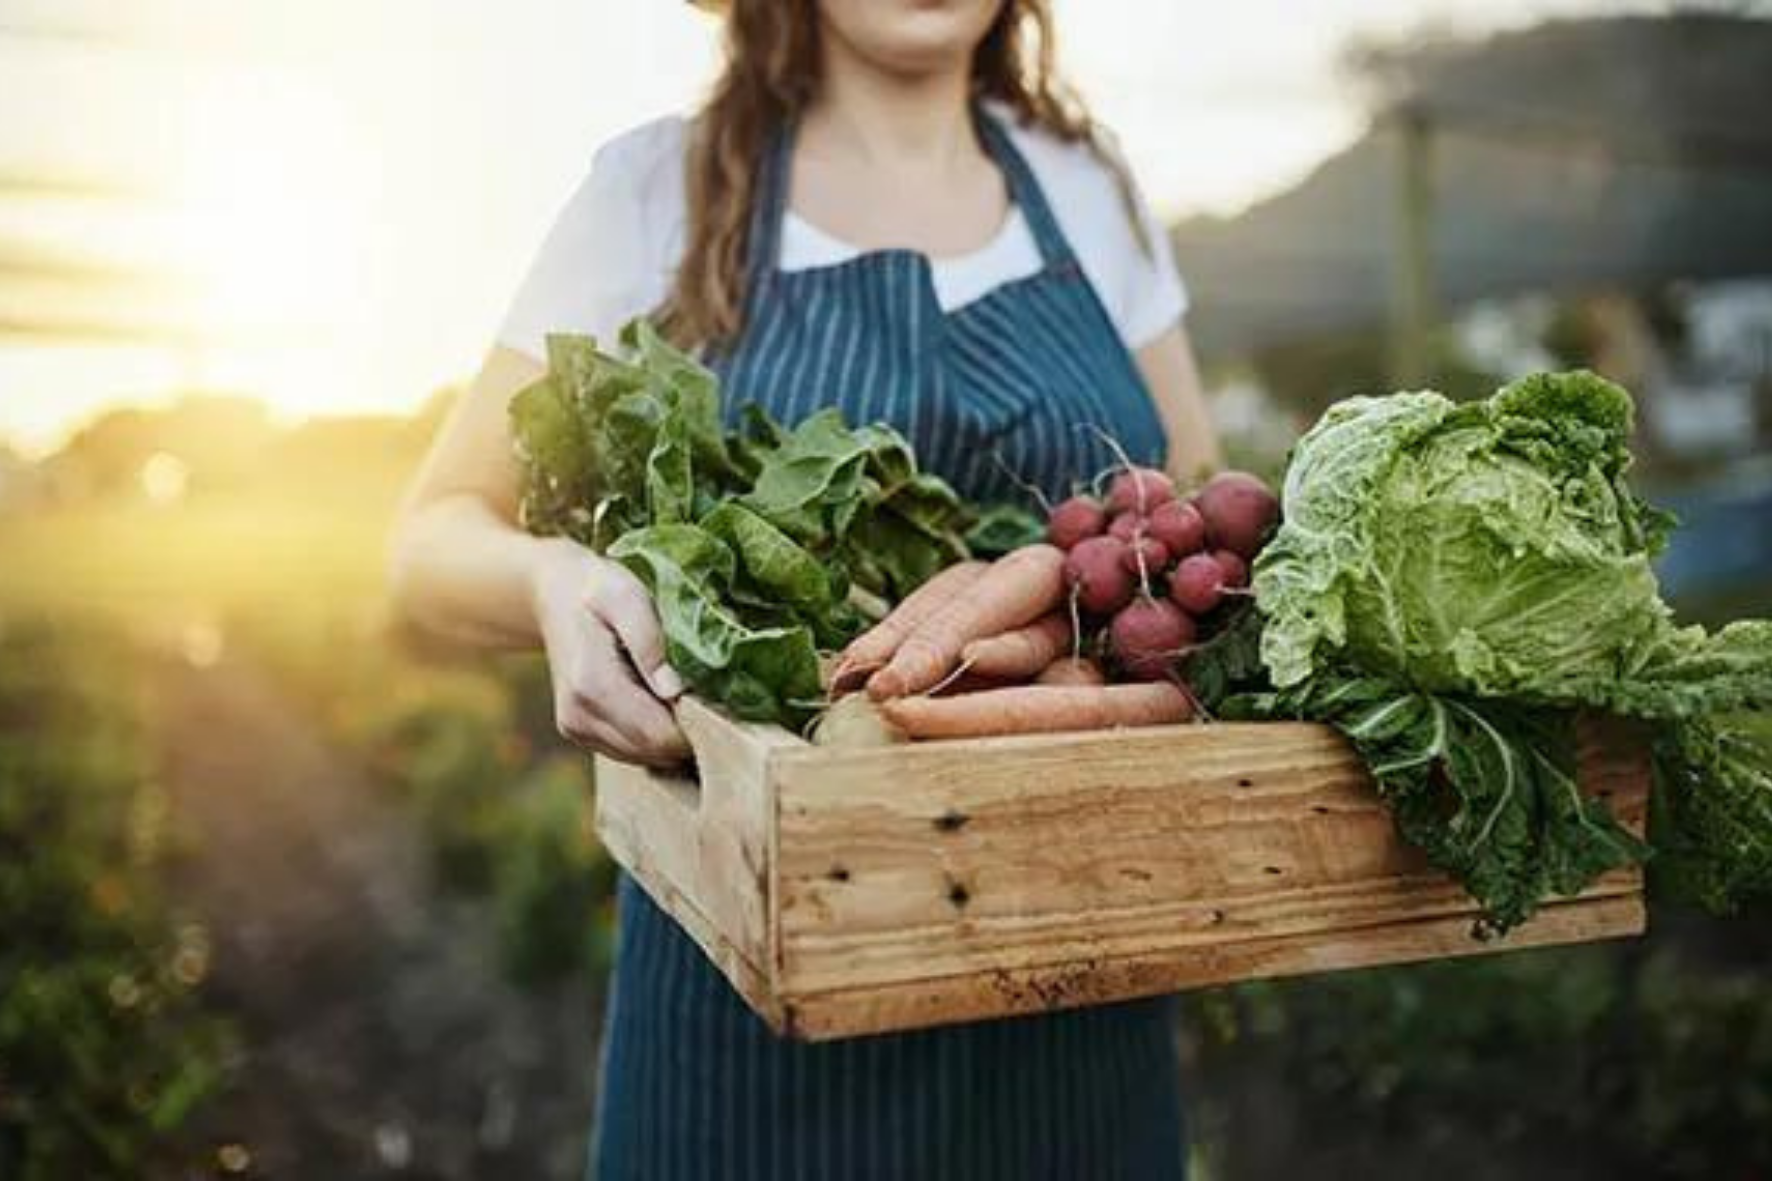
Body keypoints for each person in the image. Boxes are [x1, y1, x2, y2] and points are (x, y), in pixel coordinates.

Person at [390, 1, 1224, 1176]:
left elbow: (1188, 516)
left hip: (1078, 968)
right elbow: (426, 539)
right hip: (750, 990)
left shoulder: (1085, 186)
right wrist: (551, 580)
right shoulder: (653, 190)